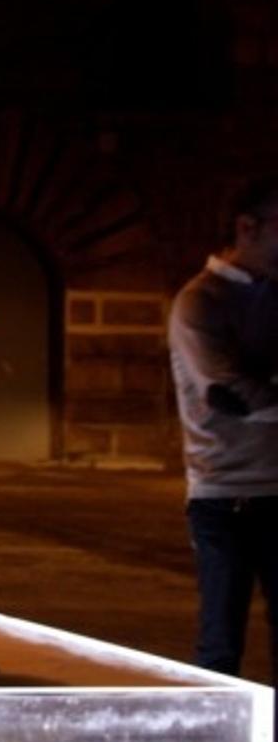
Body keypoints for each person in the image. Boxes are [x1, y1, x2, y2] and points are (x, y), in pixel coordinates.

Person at [168, 174, 278, 680]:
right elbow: (231, 393)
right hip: (223, 496)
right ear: (247, 228)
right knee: (219, 647)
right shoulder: (200, 302)